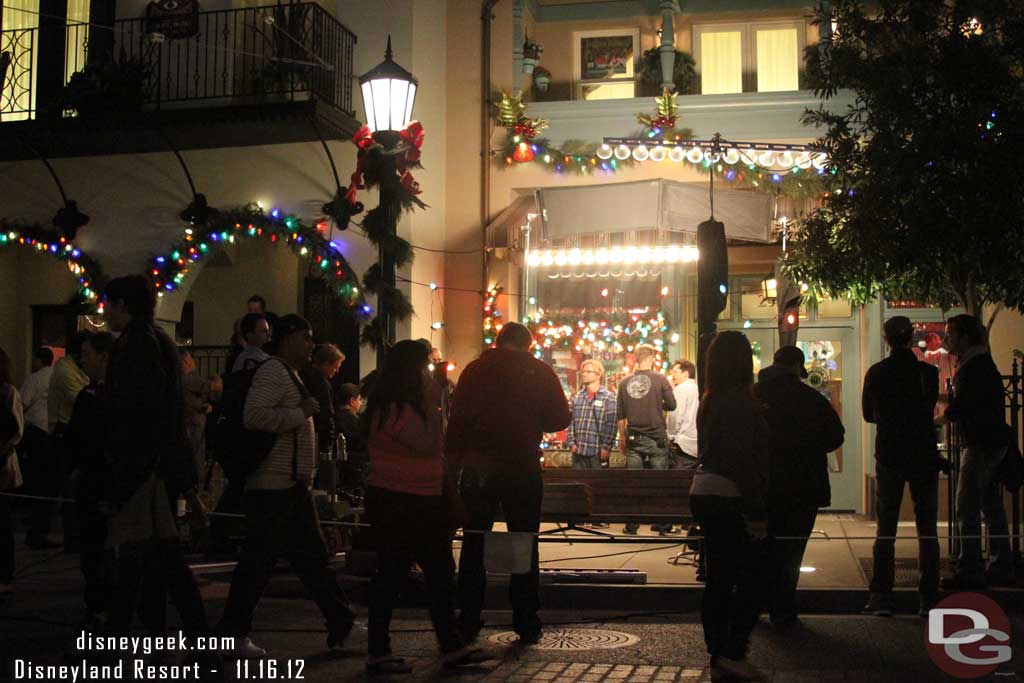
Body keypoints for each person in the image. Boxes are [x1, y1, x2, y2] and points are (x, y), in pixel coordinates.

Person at [98, 275, 217, 676]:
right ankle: (189, 645)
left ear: (123, 305)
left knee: (145, 557)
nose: (104, 312)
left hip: (142, 467)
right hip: (154, 466)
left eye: (108, 304)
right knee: (154, 560)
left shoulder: (136, 347)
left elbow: (138, 413)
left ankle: (121, 644)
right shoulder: (156, 343)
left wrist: (126, 465)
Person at [216, 315, 354, 658]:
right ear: (288, 338)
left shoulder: (288, 374)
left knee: (310, 560)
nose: (311, 345)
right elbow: (255, 416)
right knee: (260, 563)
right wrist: (300, 412)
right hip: (274, 487)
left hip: (290, 487)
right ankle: (230, 636)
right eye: (306, 338)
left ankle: (341, 622)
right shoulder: (273, 373)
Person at [363, 340, 488, 673]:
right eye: (425, 367)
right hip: (403, 500)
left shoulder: (392, 403)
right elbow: (429, 444)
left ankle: (448, 645)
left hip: (416, 498)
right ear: (411, 370)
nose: (429, 373)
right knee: (398, 574)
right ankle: (381, 651)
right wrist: (436, 400)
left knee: (437, 573)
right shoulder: (397, 408)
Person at [448, 322, 570, 644]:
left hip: (479, 469)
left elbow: (456, 423)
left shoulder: (474, 371)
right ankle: (525, 618)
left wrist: (452, 470)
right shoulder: (539, 371)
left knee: (474, 541)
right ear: (528, 345)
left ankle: (470, 616)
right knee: (523, 541)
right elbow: (560, 419)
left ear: (498, 342)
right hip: (522, 467)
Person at [689, 331, 771, 681]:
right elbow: (742, 462)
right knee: (755, 576)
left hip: (704, 489)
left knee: (720, 576)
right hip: (728, 494)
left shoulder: (710, 399)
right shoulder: (740, 403)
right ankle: (731, 648)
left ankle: (718, 647)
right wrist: (756, 514)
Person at [756, 346, 844, 627]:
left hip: (765, 482)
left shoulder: (756, 396)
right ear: (798, 368)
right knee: (793, 548)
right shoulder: (811, 398)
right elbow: (835, 436)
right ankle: (783, 605)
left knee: (765, 544)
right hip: (804, 484)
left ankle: (761, 601)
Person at [861, 317, 942, 616]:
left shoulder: (878, 373)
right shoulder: (928, 373)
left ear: (886, 339)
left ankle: (882, 595)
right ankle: (929, 596)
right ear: (910, 338)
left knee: (886, 527)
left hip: (890, 454)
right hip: (921, 453)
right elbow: (927, 409)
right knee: (927, 528)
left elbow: (869, 414)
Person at [940, 313, 1014, 590]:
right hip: (990, 441)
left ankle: (970, 568)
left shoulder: (975, 366)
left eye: (951, 333)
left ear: (965, 337)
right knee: (990, 504)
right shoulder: (978, 363)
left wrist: (937, 418)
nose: (947, 339)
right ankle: (999, 563)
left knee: (967, 505)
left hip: (981, 444)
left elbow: (963, 405)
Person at [65, 332, 115, 627]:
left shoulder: (93, 397)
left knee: (95, 549)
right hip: (107, 481)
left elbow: (77, 441)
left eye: (87, 353)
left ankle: (100, 606)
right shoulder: (116, 395)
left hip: (95, 482)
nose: (82, 359)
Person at [31, 332, 89, 549]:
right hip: (61, 435)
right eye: (86, 353)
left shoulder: (73, 370)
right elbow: (81, 401)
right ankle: (45, 533)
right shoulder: (66, 372)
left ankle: (53, 533)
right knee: (59, 487)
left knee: (58, 487)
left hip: (65, 433)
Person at [616, 344, 677, 535]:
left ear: (635, 358)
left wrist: (622, 438)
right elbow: (672, 405)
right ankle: (663, 524)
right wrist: (657, 403)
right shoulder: (660, 379)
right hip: (657, 437)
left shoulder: (624, 383)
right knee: (660, 483)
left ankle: (632, 525)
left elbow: (620, 415)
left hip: (634, 437)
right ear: (651, 357)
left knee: (634, 483)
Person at [17, 347, 54, 548]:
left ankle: (32, 515)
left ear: (39, 360)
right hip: (50, 430)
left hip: (36, 431)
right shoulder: (54, 376)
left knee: (34, 475)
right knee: (46, 479)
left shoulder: (35, 378)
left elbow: (22, 403)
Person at [300, 344, 345, 493]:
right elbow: (326, 413)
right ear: (326, 363)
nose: (337, 371)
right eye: (335, 367)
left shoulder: (303, 376)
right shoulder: (320, 382)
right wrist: (329, 439)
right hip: (318, 439)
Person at [0, 347, 25, 598]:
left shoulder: (9, 392)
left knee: (2, 521)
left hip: (2, 461)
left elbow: (16, 431)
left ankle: (5, 574)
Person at [566, 359, 617, 470]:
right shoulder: (577, 397)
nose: (584, 374)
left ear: (598, 374)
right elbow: (570, 421)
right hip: (578, 453)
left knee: (599, 485)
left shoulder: (608, 398)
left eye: (588, 372)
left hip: (597, 453)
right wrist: (571, 442)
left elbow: (611, 424)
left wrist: (606, 447)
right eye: (583, 372)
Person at [181, 351, 219, 486]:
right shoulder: (186, 380)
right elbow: (212, 386)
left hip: (193, 423)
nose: (193, 362)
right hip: (192, 424)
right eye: (191, 359)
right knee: (195, 455)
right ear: (185, 362)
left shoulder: (184, 380)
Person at [667, 359, 699, 470]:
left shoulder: (681, 389)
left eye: (675, 372)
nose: (672, 376)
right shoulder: (697, 388)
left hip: (682, 443)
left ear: (686, 374)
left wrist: (671, 436)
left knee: (678, 480)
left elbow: (675, 415)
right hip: (695, 444)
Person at [335, 382, 367, 493]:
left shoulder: (335, 416)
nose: (361, 403)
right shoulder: (352, 419)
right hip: (354, 469)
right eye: (359, 399)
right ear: (352, 401)